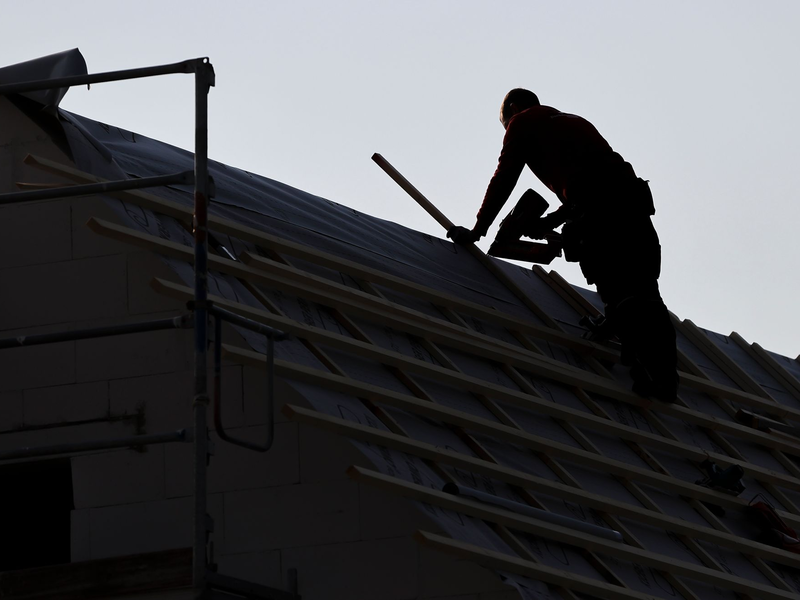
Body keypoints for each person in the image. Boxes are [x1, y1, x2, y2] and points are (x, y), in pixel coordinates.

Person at [448, 88, 678, 402]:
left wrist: (478, 228)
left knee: (622, 290)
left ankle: (651, 382)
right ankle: (663, 375)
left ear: (515, 109)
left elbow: (506, 174)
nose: (508, 133)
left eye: (506, 126)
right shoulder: (573, 123)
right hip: (632, 207)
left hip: (601, 214)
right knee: (643, 288)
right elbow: (590, 185)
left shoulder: (523, 121)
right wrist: (550, 223)